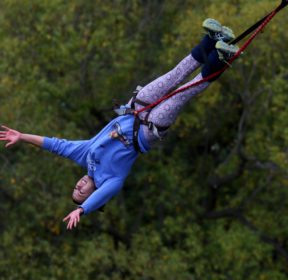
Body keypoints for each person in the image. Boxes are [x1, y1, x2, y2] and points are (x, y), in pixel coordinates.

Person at [0, 19, 239, 230]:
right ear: (94, 195)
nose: (80, 184)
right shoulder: (110, 181)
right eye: (81, 191)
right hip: (147, 131)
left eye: (76, 187)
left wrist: (22, 136)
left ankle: (211, 42)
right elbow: (98, 197)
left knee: (173, 75)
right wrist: (82, 210)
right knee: (182, 93)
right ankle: (220, 59)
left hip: (134, 109)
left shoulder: (85, 156)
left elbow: (55, 145)